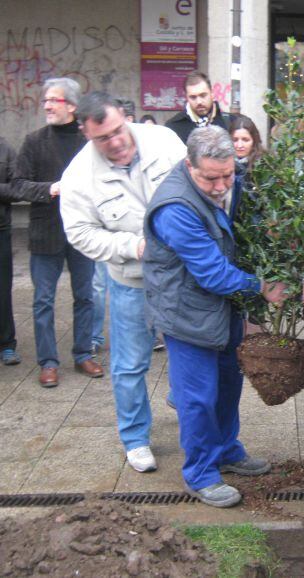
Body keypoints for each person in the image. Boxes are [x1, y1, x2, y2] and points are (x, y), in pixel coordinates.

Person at [143, 126, 286, 507]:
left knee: (227, 384)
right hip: (187, 313)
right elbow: (212, 273)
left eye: (228, 174)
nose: (222, 185)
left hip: (223, 309)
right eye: (211, 178)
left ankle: (226, 448)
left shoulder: (227, 180)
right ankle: (201, 473)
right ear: (189, 166)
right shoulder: (175, 207)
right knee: (197, 398)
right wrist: (262, 286)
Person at [60, 92, 187, 473]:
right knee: (130, 365)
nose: (116, 142)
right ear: (85, 134)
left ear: (125, 117)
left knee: (193, 349)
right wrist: (133, 246)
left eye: (119, 129)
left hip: (184, 275)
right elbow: (80, 233)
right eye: (103, 138)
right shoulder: (78, 178)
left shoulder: (163, 141)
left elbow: (195, 182)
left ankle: (187, 406)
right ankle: (135, 439)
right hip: (132, 280)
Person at [12, 77, 103, 387]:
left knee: (85, 297)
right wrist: (51, 189)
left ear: (73, 106)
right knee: (43, 301)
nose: (47, 105)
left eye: (54, 100)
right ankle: (48, 362)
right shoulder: (34, 140)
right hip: (45, 233)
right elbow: (18, 185)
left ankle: (83, 354)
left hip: (83, 233)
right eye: (46, 100)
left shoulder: (88, 141)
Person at [166, 71, 230, 143]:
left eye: (203, 95)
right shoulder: (173, 127)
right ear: (186, 97)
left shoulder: (230, 122)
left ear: (212, 93)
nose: (199, 102)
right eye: (193, 97)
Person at [0, 137, 19, 365]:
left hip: (1, 229)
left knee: (3, 289)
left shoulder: (5, 149)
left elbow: (17, 188)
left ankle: (6, 344)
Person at [229, 114, 264, 187]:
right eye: (235, 140)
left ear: (254, 140)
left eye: (245, 140)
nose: (239, 145)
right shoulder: (223, 164)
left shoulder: (263, 165)